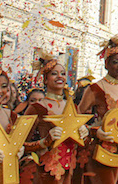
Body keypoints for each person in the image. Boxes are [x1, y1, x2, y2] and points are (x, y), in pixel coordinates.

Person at [22, 55, 89, 184]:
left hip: (71, 170)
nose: (60, 77)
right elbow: (20, 143)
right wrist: (44, 141)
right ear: (45, 80)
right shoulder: (37, 107)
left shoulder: (72, 107)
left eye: (63, 73)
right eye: (54, 74)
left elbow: (82, 143)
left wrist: (84, 133)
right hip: (46, 172)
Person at [78, 37, 118, 184]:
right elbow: (78, 120)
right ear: (106, 64)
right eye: (115, 62)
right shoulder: (95, 89)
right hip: (101, 148)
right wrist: (95, 131)